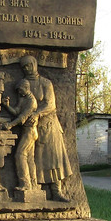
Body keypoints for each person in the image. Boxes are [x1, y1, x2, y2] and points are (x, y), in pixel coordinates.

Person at [19, 54, 72, 201]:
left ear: (35, 64)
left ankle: (57, 191)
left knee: (54, 158)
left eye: (29, 65)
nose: (27, 69)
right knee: (36, 159)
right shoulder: (24, 84)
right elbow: (21, 106)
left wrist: (36, 113)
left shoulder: (46, 83)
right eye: (24, 67)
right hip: (32, 128)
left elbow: (50, 104)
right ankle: (38, 191)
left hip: (49, 126)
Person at [5, 78, 38, 190]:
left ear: (26, 88)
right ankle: (33, 184)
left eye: (20, 90)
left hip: (30, 131)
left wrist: (10, 125)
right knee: (29, 158)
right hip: (26, 131)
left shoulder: (31, 101)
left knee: (20, 155)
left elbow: (22, 117)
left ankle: (25, 184)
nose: (19, 92)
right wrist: (7, 105)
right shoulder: (23, 98)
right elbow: (16, 111)